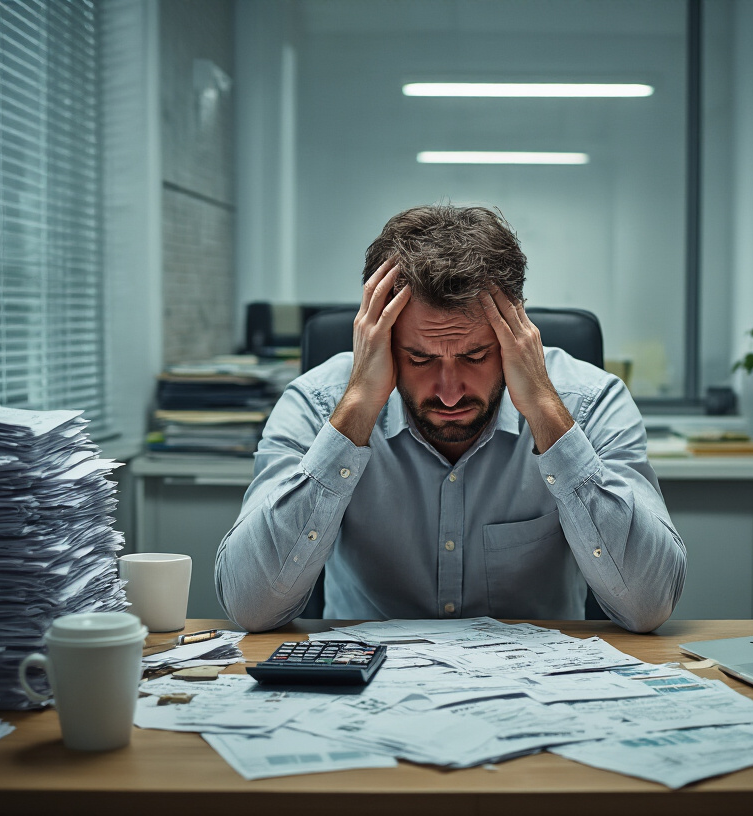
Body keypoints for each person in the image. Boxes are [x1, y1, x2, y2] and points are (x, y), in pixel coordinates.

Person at [215, 204, 686, 632]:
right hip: (364, 685)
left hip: (536, 689)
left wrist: (546, 412)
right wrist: (357, 406)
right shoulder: (319, 403)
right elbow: (251, 606)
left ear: (515, 336)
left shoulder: (589, 400)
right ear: (379, 339)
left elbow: (647, 606)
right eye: (419, 360)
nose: (449, 392)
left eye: (476, 356)